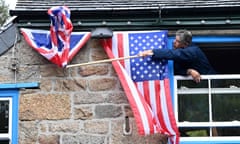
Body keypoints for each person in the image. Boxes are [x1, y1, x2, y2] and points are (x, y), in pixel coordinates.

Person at [139, 29, 216, 82]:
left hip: (212, 82)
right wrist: (189, 71)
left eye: (177, 41)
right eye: (174, 39)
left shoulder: (193, 51)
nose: (173, 42)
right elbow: (177, 69)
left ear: (185, 44)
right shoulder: (183, 52)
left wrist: (151, 52)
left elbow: (174, 54)